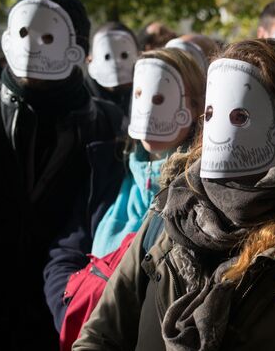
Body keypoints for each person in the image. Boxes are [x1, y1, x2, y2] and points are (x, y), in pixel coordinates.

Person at [73, 38, 275, 351]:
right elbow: (101, 337)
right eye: (212, 113)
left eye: (240, 116)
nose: (219, 129)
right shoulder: (170, 213)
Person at [0, 0, 124, 350]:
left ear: (76, 47)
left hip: (58, 318)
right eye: (24, 33)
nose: (33, 46)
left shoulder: (108, 126)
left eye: (48, 35)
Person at [43, 47, 205, 350]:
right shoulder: (107, 167)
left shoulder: (200, 188)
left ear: (194, 106)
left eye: (160, 99)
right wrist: (70, 303)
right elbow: (66, 249)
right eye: (141, 95)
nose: (149, 108)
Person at [85, 21, 139, 117]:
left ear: (138, 56)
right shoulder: (79, 100)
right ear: (89, 60)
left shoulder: (147, 95)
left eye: (124, 55)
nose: (116, 64)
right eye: (107, 57)